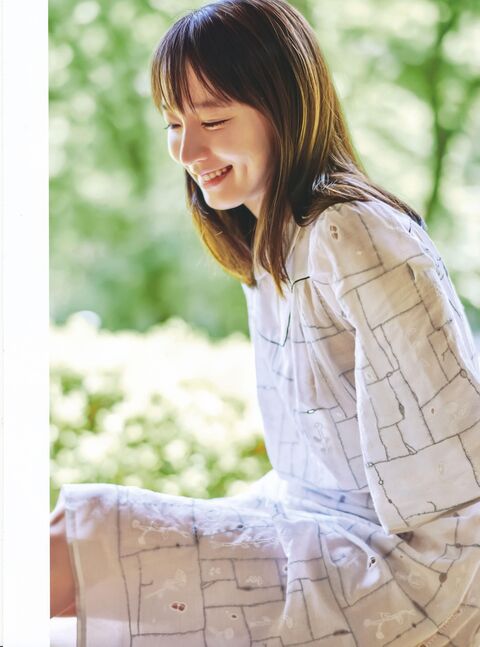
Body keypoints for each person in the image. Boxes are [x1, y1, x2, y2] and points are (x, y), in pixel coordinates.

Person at [50, 0, 480, 645]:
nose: (187, 150)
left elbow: (456, 473)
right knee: (77, 540)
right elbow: (312, 473)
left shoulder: (352, 232)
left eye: (213, 120)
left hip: (418, 570)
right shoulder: (270, 245)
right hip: (313, 519)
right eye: (174, 123)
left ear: (285, 109)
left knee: (79, 540)